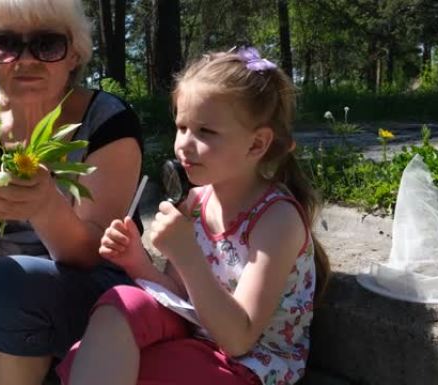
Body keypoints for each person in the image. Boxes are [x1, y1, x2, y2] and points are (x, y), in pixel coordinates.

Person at [56, 47, 331, 385]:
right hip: (195, 335)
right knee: (120, 304)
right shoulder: (197, 199)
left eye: (206, 132)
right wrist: (137, 261)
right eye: (182, 126)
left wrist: (186, 253)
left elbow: (238, 338)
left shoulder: (277, 220)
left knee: (125, 366)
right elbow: (179, 296)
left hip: (250, 364)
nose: (184, 144)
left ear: (257, 144)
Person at [0, 0, 143, 384]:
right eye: (5, 43)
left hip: (100, 298)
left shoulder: (107, 120)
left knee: (6, 281)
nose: (25, 59)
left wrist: (46, 208)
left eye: (47, 43)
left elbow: (96, 255)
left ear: (74, 54)